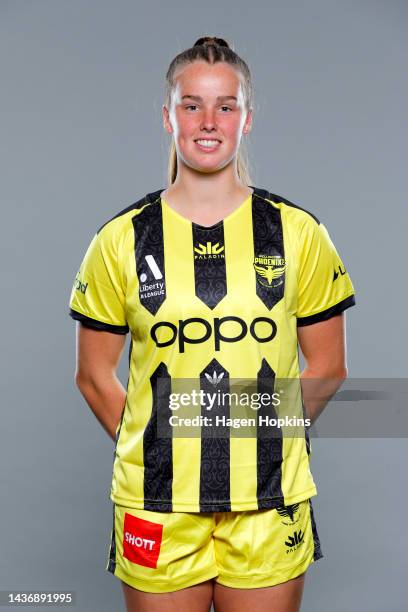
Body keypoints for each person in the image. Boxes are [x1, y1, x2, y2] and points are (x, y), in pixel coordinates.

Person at [68, 36, 356, 612]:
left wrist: (264, 437)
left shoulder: (297, 232)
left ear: (246, 120)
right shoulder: (120, 239)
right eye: (191, 104)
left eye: (226, 105)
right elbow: (94, 376)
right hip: (157, 505)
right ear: (168, 116)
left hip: (267, 502)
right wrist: (157, 448)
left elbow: (327, 365)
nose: (208, 120)